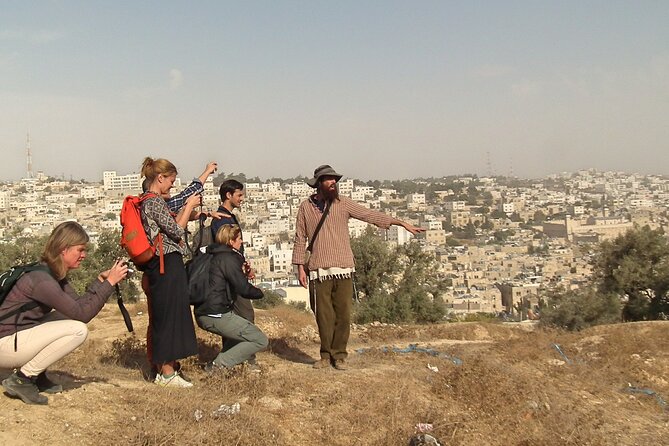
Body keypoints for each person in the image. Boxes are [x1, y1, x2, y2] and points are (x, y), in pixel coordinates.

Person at [292, 165, 425, 370]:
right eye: (328, 180)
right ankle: (326, 355)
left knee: (344, 314)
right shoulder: (305, 207)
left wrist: (400, 223)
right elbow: (300, 238)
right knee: (323, 316)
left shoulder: (343, 203)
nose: (332, 183)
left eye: (334, 179)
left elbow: (368, 215)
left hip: (344, 266)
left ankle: (340, 355)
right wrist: (300, 267)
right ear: (318, 183)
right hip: (319, 268)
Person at [0, 221, 128, 405]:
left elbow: (76, 305)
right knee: (78, 330)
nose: (83, 255)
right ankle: (23, 379)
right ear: (63, 249)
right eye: (80, 250)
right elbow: (82, 315)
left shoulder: (51, 272)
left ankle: (37, 375)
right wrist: (110, 284)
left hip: (13, 338)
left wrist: (101, 280)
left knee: (67, 317)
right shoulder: (42, 281)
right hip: (5, 344)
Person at [140, 157, 201, 388]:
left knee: (168, 314)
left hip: (162, 263)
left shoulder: (151, 201)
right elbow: (176, 229)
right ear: (160, 178)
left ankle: (167, 369)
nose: (172, 186)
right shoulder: (153, 202)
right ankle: (166, 373)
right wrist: (188, 207)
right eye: (171, 181)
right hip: (164, 262)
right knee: (168, 316)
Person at [194, 225, 268, 371]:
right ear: (231, 241)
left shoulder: (211, 254)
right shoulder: (228, 258)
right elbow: (243, 288)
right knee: (260, 340)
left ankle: (223, 363)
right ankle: (216, 366)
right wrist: (260, 293)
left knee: (238, 336)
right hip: (217, 313)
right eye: (239, 239)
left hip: (204, 311)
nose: (241, 242)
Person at [210, 179, 259, 366]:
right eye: (239, 195)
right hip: (230, 276)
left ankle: (233, 359)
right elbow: (226, 249)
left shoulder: (227, 217)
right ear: (228, 195)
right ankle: (245, 358)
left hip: (232, 274)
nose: (242, 198)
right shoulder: (222, 219)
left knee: (235, 318)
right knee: (245, 316)